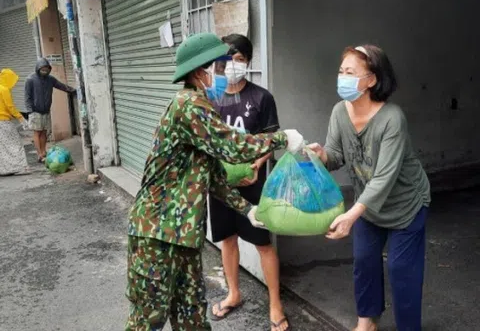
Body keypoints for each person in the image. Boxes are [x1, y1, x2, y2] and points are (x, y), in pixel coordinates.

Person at [125, 32, 304, 331]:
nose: (224, 74)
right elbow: (232, 147)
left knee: (192, 315)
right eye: (219, 67)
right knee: (148, 320)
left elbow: (213, 175)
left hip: (182, 236)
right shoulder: (189, 105)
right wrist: (282, 138)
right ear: (200, 72)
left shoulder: (201, 105)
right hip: (156, 234)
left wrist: (246, 209)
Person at [308, 45, 431, 331]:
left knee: (402, 270)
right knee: (364, 262)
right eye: (341, 71)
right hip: (369, 207)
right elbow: (336, 154)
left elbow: (384, 178)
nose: (342, 78)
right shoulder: (340, 111)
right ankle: (367, 322)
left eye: (350, 72)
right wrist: (321, 155)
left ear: (371, 80)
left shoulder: (392, 119)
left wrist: (351, 216)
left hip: (406, 205)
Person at [208, 34, 289, 331]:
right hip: (219, 185)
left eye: (238, 59)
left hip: (254, 185)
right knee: (227, 240)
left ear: (248, 62)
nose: (232, 66)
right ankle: (234, 293)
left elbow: (271, 140)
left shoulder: (262, 98)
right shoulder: (211, 98)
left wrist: (256, 164)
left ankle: (275, 303)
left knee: (263, 244)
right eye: (226, 60)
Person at [24, 58, 76, 163]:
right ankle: (39, 154)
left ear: (49, 69)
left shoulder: (50, 79)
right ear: (38, 68)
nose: (44, 70)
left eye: (46, 68)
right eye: (42, 68)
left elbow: (61, 86)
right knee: (37, 132)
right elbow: (27, 96)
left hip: (46, 110)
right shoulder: (30, 79)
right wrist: (30, 111)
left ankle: (44, 152)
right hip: (35, 111)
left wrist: (73, 91)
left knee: (44, 132)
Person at [0, 69, 29, 176]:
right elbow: (10, 106)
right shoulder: (4, 89)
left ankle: (5, 169)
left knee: (2, 146)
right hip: (3, 121)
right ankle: (21, 167)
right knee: (15, 143)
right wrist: (21, 118)